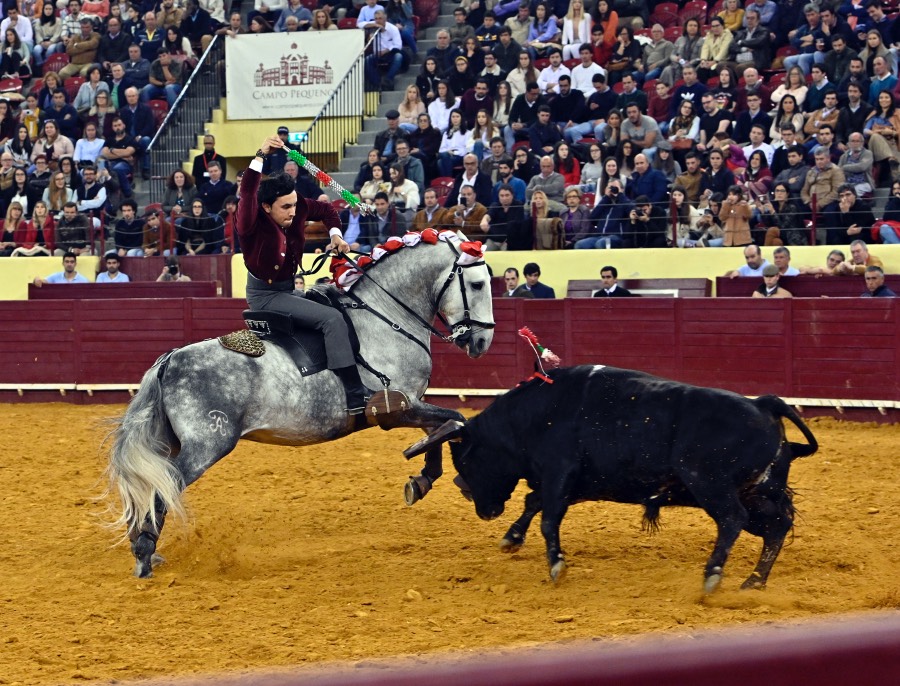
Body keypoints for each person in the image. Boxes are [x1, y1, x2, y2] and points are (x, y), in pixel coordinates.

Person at [238, 134, 383, 415]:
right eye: (286, 207)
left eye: (294, 204)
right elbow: (246, 193)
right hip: (266, 296)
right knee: (331, 319)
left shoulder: (298, 206)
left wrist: (336, 235)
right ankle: (354, 395)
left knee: (337, 303)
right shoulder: (251, 221)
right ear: (267, 207)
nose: (294, 211)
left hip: (287, 289)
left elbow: (328, 209)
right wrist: (260, 155)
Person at [479, 182, 526, 250]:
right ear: (498, 196)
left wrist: (491, 229)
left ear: (512, 195)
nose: (504, 198)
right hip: (493, 240)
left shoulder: (518, 206)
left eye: (507, 195)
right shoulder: (495, 205)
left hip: (509, 241)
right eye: (502, 195)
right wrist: (484, 221)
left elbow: (515, 227)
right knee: (482, 253)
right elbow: (488, 215)